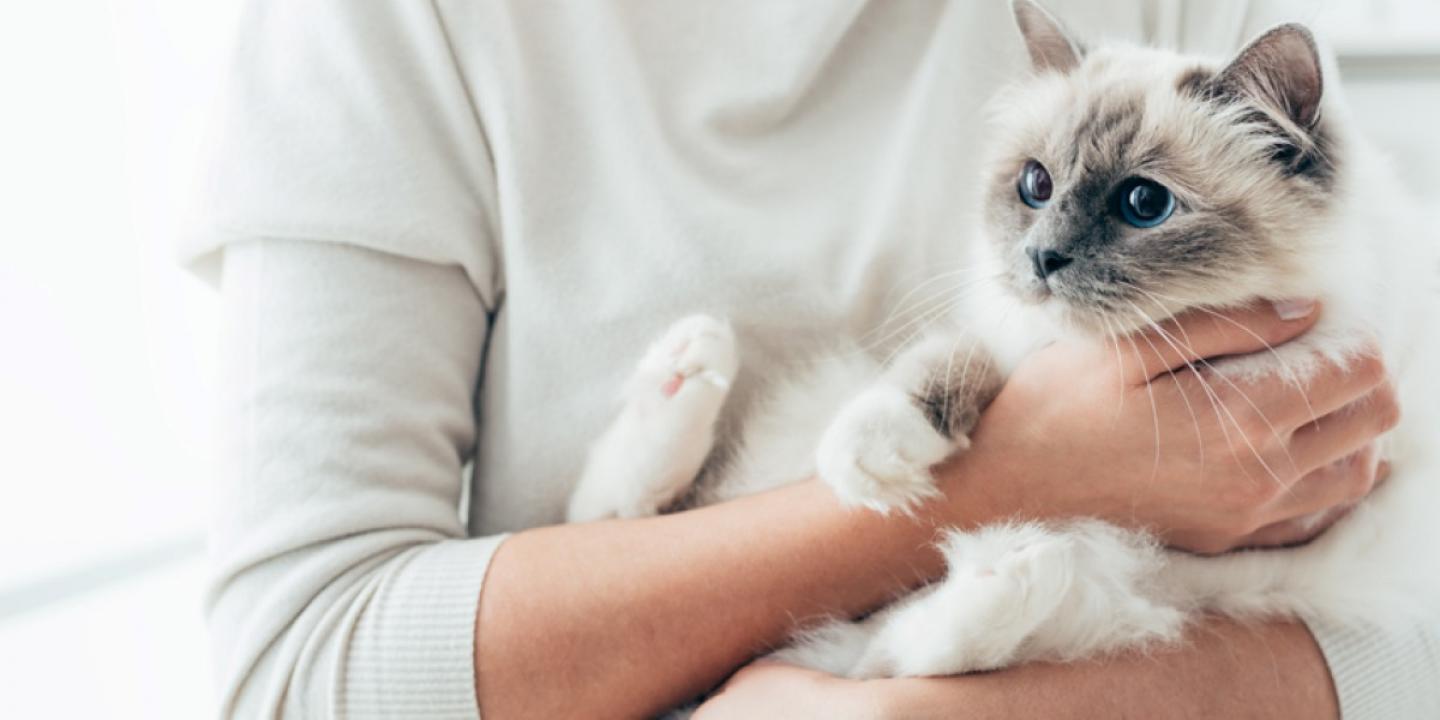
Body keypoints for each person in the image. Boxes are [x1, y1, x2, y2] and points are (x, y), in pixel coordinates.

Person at [188, 2, 1436, 717]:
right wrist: (1016, 477)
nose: (1053, 250)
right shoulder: (381, 30)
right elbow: (298, 674)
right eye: (1039, 194)